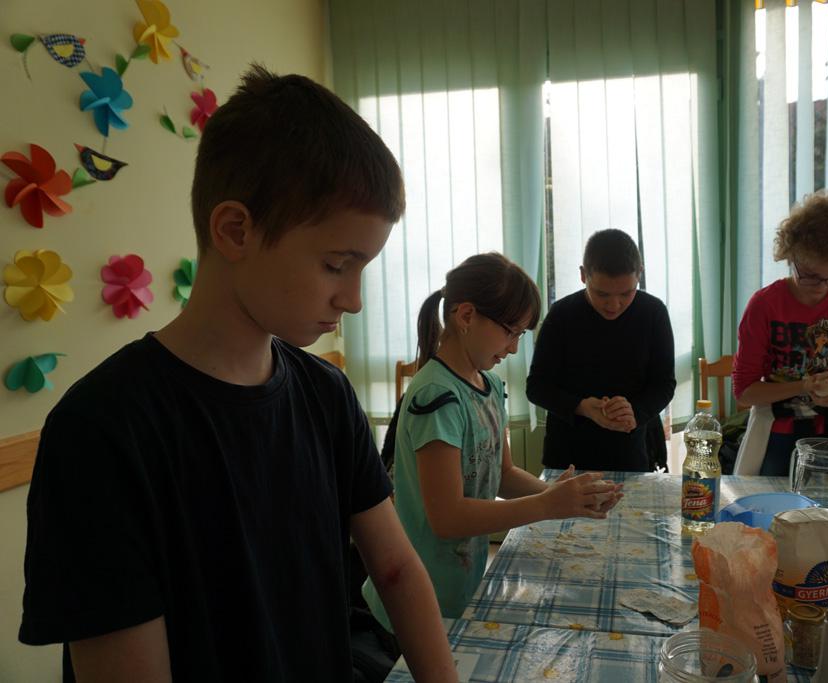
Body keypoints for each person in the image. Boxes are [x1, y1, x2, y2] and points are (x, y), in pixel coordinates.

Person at [19, 65, 457, 682]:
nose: (354, 300)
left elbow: (396, 570)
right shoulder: (103, 429)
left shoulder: (326, 394)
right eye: (337, 265)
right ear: (235, 230)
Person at [363, 253, 624, 628]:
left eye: (521, 335)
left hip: (459, 585)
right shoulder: (437, 397)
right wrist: (546, 505)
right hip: (416, 597)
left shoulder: (489, 386)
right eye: (510, 331)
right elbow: (447, 518)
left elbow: (502, 473)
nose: (514, 347)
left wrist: (563, 497)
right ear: (467, 315)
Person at [732, 190, 828, 477]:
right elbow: (745, 391)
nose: (822, 287)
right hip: (774, 431)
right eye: (811, 276)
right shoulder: (765, 305)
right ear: (790, 256)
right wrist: (804, 385)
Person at [526, 229, 676, 472]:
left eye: (626, 293)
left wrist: (634, 412)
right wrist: (582, 407)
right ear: (583, 275)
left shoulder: (653, 313)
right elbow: (537, 387)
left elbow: (664, 384)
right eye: (602, 294)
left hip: (630, 451)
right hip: (568, 454)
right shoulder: (561, 315)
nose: (614, 305)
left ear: (640, 274)